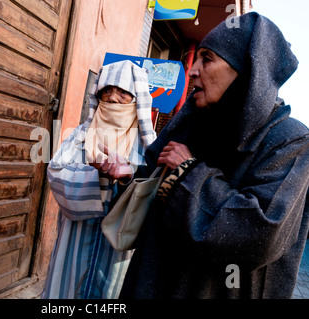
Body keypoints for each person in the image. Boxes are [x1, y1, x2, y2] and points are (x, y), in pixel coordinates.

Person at [119, 12, 309, 299]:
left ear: (247, 71)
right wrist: (124, 177)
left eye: (207, 59)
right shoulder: (189, 124)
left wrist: (188, 171)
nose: (192, 70)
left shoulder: (289, 140)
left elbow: (260, 236)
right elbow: (147, 190)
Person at [42, 60, 156, 299]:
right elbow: (56, 172)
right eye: (107, 91)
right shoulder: (79, 138)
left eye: (123, 93)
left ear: (138, 100)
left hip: (117, 252)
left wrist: (127, 179)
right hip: (73, 241)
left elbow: (154, 199)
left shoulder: (149, 150)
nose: (113, 99)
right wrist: (97, 177)